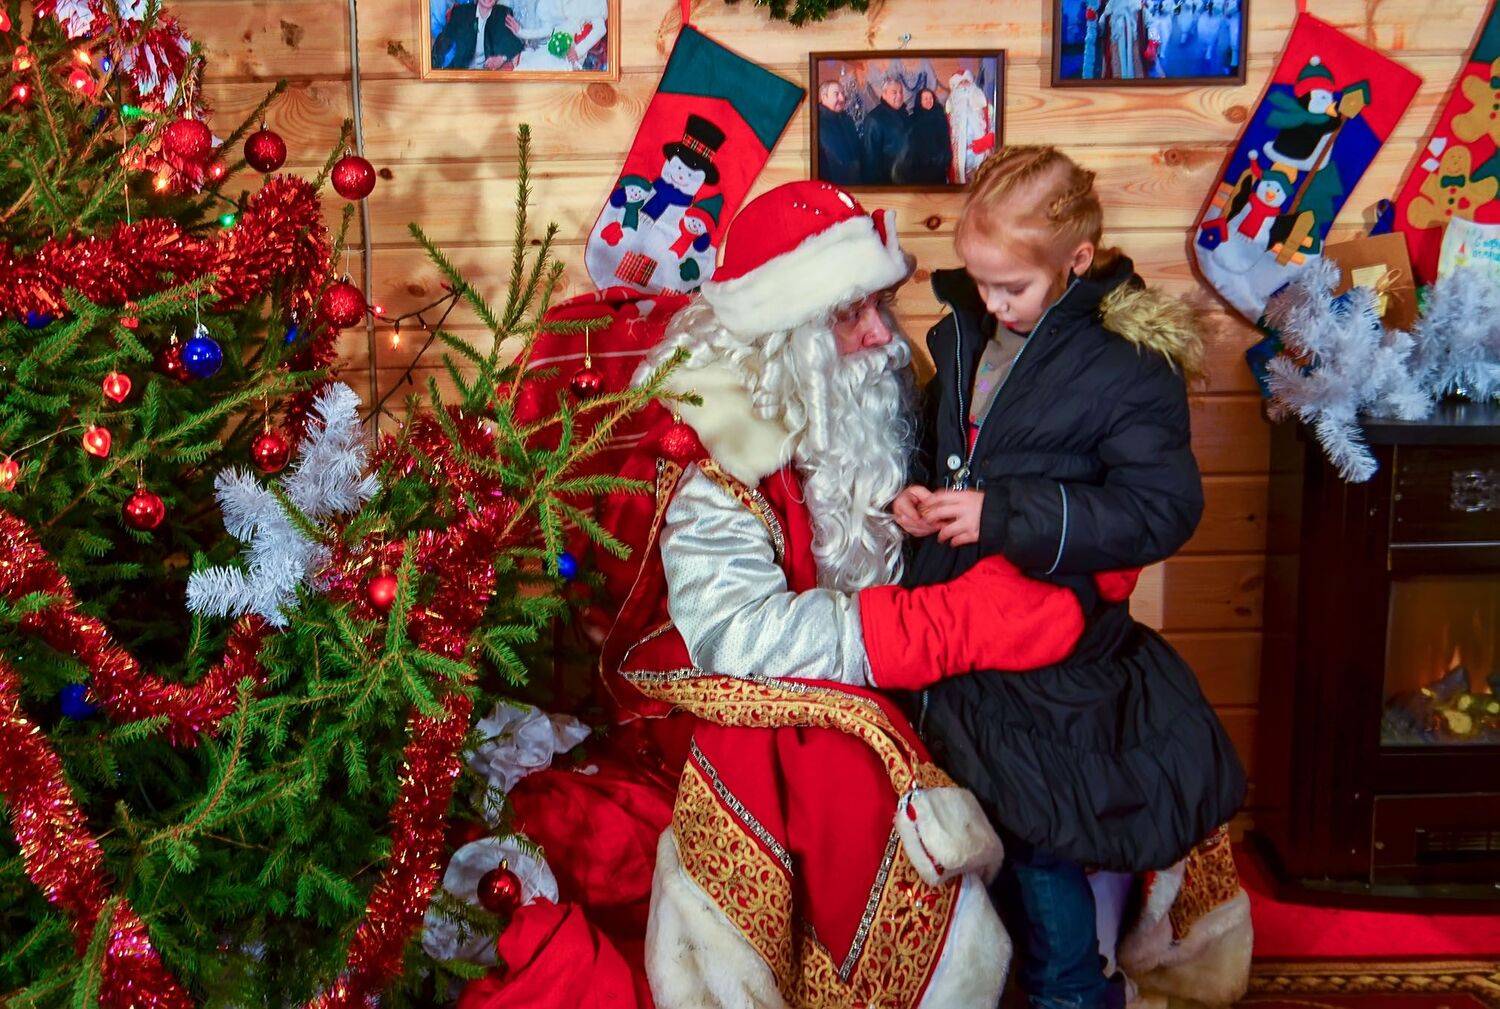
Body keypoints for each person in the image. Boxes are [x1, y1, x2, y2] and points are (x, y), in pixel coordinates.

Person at [893, 146, 1250, 1008]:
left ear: (1076, 262)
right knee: (986, 846)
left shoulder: (1125, 366)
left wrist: (1007, 514)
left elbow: (1159, 509)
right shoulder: (969, 334)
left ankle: (1073, 991)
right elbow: (955, 449)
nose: (991, 301)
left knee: (1042, 840)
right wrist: (919, 495)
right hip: (960, 631)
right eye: (981, 281)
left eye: (1011, 286)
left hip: (1051, 652)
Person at [432, 0, 524, 70]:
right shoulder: (461, 13)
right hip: (461, 71)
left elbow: (516, 44)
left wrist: (502, 58)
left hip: (488, 74)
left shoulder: (503, 13)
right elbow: (443, 42)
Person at [896, 88, 953, 186]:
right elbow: (909, 145)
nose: (929, 101)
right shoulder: (912, 119)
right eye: (925, 98)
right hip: (919, 169)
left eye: (931, 98)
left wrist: (942, 161)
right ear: (920, 101)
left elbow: (946, 142)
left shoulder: (940, 117)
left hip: (938, 168)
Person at [946, 71, 994, 185]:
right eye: (960, 83)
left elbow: (996, 127)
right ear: (955, 88)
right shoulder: (949, 110)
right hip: (959, 160)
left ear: (972, 84)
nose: (964, 86)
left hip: (982, 155)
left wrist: (986, 141)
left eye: (966, 82)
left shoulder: (985, 105)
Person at [860, 77, 912, 186]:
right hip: (887, 181)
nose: (899, 96)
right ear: (884, 94)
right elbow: (870, 157)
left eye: (901, 92)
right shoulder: (874, 119)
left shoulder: (904, 114)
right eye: (894, 92)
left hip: (906, 177)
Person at [816, 81, 863, 186]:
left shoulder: (847, 119)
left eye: (842, 93)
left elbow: (857, 149)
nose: (842, 98)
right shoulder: (817, 123)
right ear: (824, 97)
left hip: (856, 183)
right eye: (836, 94)